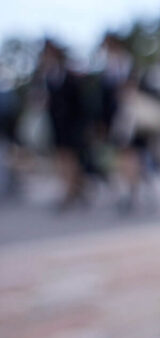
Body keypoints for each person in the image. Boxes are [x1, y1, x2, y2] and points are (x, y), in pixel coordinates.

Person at [38, 39, 87, 210]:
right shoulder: (46, 78)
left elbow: (79, 103)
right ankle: (71, 189)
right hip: (56, 126)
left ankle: (72, 190)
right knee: (61, 158)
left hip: (72, 126)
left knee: (71, 158)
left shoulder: (69, 76)